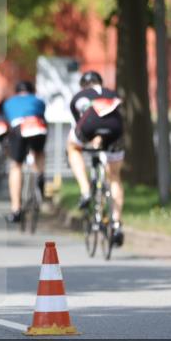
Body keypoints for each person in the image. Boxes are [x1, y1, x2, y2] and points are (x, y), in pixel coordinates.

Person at [67, 70, 125, 246]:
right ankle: (116, 223)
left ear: (83, 85)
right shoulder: (112, 93)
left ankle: (85, 190)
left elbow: (79, 122)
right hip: (115, 129)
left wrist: (91, 139)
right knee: (114, 177)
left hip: (90, 124)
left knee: (72, 147)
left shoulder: (79, 96)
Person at [1, 80, 47, 222]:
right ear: (32, 91)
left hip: (19, 128)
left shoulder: (8, 102)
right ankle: (40, 176)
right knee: (39, 152)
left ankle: (16, 209)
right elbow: (41, 114)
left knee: (16, 166)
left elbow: (8, 122)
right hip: (37, 126)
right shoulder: (39, 100)